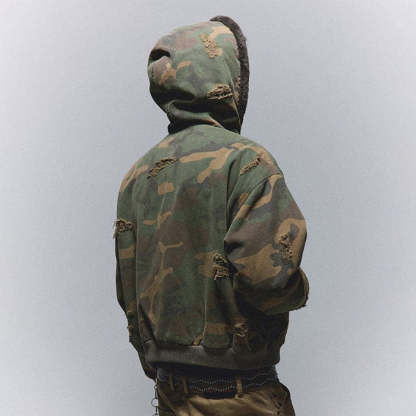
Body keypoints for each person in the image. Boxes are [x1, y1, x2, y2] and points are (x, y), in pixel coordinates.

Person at [114, 14, 309, 415]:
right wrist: (300, 290)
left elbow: (129, 289)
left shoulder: (138, 175)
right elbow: (269, 280)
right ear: (226, 78)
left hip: (171, 395)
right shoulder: (248, 162)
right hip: (242, 397)